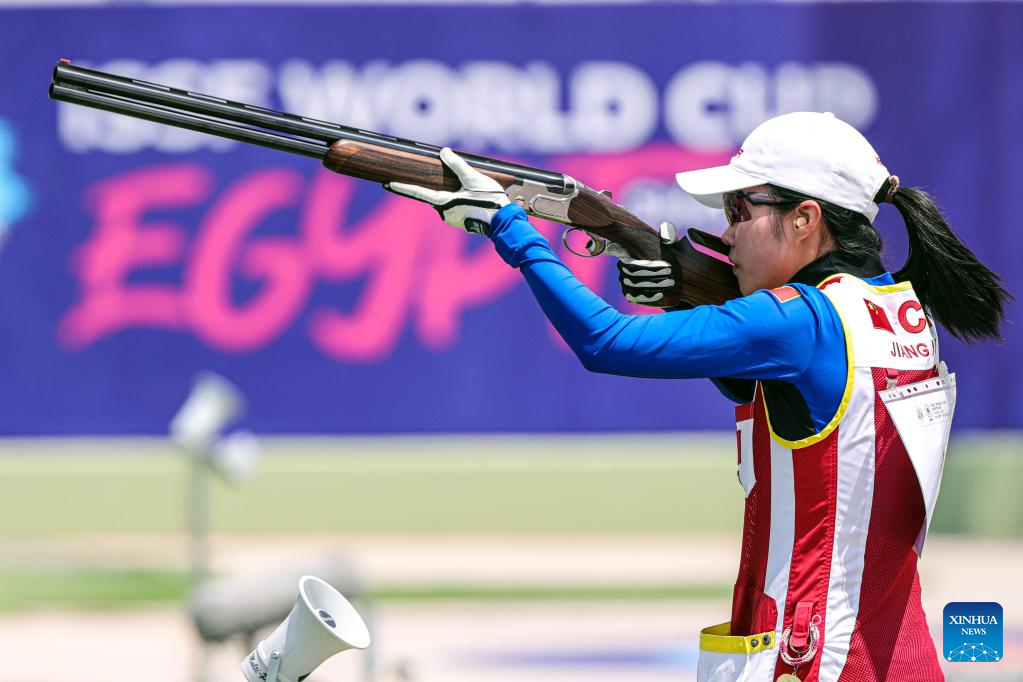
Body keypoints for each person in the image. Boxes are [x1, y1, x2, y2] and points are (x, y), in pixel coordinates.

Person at [388, 112, 1009, 682]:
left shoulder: (799, 320)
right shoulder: (903, 310)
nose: (727, 230)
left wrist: (510, 228)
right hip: (900, 658)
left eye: (741, 209)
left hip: (806, 659)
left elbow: (606, 341)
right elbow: (811, 414)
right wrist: (685, 294)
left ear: (805, 219)